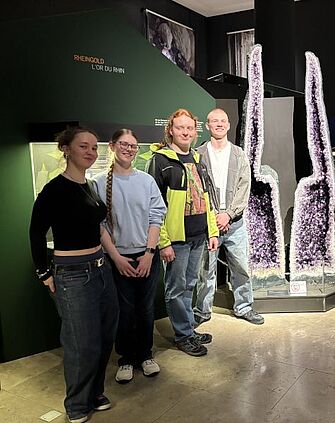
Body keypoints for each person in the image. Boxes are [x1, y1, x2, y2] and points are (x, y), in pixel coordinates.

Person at [29, 127, 118, 423]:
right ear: (66, 149)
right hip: (73, 275)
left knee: (104, 335)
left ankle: (95, 392)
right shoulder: (54, 190)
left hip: (101, 269)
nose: (91, 152)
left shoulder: (89, 186)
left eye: (94, 147)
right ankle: (77, 404)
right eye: (84, 146)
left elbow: (97, 227)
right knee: (81, 343)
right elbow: (36, 232)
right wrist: (43, 272)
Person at [92, 129, 166, 384]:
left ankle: (145, 355)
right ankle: (125, 358)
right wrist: (116, 257)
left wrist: (149, 253)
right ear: (112, 146)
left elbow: (156, 218)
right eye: (123, 144)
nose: (129, 149)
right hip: (117, 258)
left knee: (145, 308)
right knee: (123, 310)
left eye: (133, 146)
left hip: (146, 255)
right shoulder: (98, 183)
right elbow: (99, 225)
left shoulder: (146, 181)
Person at [146, 109, 219, 357]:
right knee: (176, 288)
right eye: (180, 128)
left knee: (189, 285)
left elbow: (206, 198)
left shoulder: (197, 159)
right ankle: (183, 336)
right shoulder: (160, 161)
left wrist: (212, 231)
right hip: (176, 240)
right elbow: (153, 205)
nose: (186, 132)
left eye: (189, 128)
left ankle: (188, 329)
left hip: (198, 236)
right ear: (170, 130)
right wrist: (163, 242)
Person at [194, 108, 264, 325]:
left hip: (235, 223)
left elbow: (245, 186)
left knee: (241, 268)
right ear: (207, 126)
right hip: (209, 223)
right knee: (206, 270)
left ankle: (244, 307)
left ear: (228, 124)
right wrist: (214, 216)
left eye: (223, 121)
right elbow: (197, 189)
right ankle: (202, 310)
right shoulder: (198, 155)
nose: (219, 124)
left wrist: (229, 214)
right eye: (214, 121)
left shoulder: (238, 154)